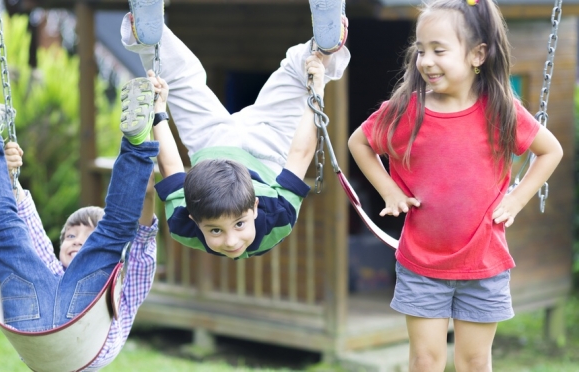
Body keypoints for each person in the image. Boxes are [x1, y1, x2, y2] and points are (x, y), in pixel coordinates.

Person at [347, 0, 563, 370]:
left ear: (478, 55)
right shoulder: (406, 111)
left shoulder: (500, 110)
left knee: (475, 362)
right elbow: (359, 142)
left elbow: (550, 150)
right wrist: (389, 190)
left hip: (484, 264)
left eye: (439, 50)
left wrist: (516, 200)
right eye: (421, 50)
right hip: (422, 264)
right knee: (425, 360)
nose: (426, 61)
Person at [121, 0, 351, 259]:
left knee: (180, 78)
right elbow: (301, 152)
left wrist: (160, 110)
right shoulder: (278, 217)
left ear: (192, 217)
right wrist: (316, 94)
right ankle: (323, 47)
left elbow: (171, 167)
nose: (231, 241)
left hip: (213, 143)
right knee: (297, 73)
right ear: (255, 207)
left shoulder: (181, 222)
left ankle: (151, 35)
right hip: (266, 144)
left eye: (232, 226)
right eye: (217, 229)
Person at [0, 76, 162, 370]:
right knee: (8, 235)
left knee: (112, 234)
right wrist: (4, 174)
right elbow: (26, 221)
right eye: (70, 237)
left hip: (51, 331)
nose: (77, 242)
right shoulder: (51, 270)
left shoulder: (125, 286)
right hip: (52, 334)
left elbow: (141, 236)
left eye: (86, 238)